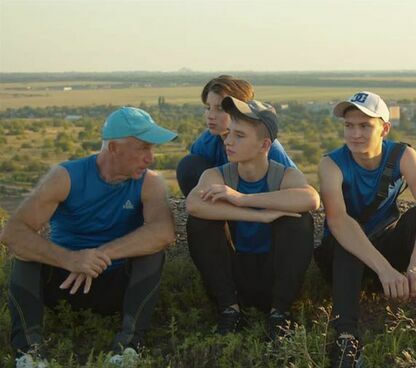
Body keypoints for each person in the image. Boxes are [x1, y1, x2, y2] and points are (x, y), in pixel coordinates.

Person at [2, 107, 177, 366]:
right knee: (25, 256)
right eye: (142, 148)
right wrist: (70, 259)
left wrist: (100, 255)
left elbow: (163, 232)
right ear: (114, 148)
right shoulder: (66, 176)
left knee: (152, 254)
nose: (150, 158)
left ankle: (128, 348)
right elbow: (13, 232)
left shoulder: (149, 182)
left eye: (152, 149)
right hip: (63, 284)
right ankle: (29, 353)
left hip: (115, 288)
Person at [315, 91, 416, 367]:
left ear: (384, 128)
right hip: (342, 260)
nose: (355, 134)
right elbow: (338, 220)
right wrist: (385, 269)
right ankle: (346, 339)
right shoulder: (332, 164)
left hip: (385, 244)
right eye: (349, 126)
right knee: (348, 238)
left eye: (365, 126)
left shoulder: (402, 155)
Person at [185, 96, 319, 340]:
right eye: (229, 134)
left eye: (240, 136)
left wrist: (242, 199)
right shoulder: (216, 175)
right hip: (235, 276)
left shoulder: (284, 176)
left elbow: (311, 199)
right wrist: (259, 217)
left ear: (264, 145)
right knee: (199, 222)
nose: (228, 141)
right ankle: (230, 310)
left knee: (300, 221)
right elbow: (193, 205)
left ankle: (279, 314)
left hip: (273, 276)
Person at [176, 75, 295, 198]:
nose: (210, 115)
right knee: (189, 165)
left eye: (220, 109)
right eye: (208, 107)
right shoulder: (206, 142)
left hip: (263, 200)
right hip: (222, 202)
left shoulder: (264, 144)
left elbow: (295, 184)